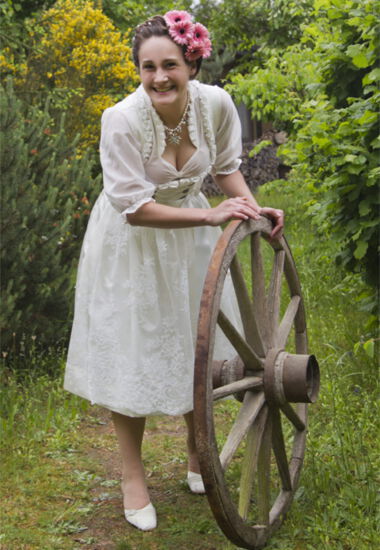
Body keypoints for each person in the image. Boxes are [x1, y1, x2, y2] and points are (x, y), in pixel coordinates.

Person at [64, 10, 284, 532]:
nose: (159, 77)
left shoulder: (216, 105)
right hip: (132, 242)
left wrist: (253, 209)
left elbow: (227, 169)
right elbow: (133, 208)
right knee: (134, 348)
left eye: (169, 65)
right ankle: (132, 474)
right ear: (138, 71)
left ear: (191, 61)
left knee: (197, 341)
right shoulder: (120, 119)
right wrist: (210, 215)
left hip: (190, 241)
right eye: (147, 68)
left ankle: (196, 447)